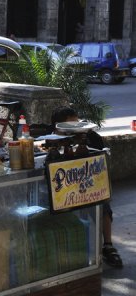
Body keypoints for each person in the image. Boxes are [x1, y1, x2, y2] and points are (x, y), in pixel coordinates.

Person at [51, 106, 123, 268]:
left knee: (103, 205)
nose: (75, 127)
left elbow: (99, 161)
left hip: (88, 184)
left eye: (76, 123)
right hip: (64, 187)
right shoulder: (52, 140)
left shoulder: (92, 137)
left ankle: (108, 246)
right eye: (69, 125)